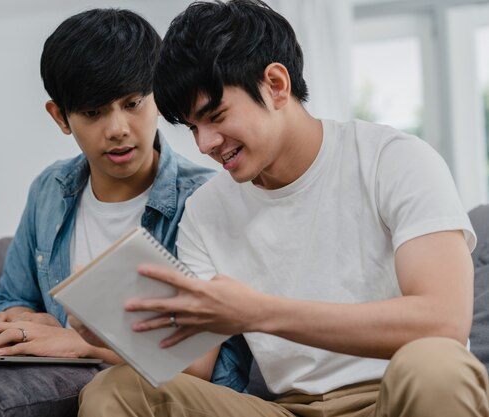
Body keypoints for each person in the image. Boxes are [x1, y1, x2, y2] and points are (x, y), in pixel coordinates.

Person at [77, 0, 489, 416]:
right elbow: (196, 366)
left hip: (399, 397)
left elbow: (443, 321)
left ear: (275, 84)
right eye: (193, 128)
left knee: (436, 364)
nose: (205, 144)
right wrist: (112, 335)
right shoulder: (205, 211)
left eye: (215, 116)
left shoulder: (393, 159)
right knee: (115, 391)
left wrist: (259, 313)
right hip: (291, 409)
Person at [0, 8, 217, 375]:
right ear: (60, 117)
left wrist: (82, 345)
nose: (117, 128)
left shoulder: (204, 197)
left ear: (160, 98)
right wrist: (28, 324)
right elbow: (11, 300)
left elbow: (209, 364)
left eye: (133, 104)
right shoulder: (49, 190)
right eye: (92, 112)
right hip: (62, 388)